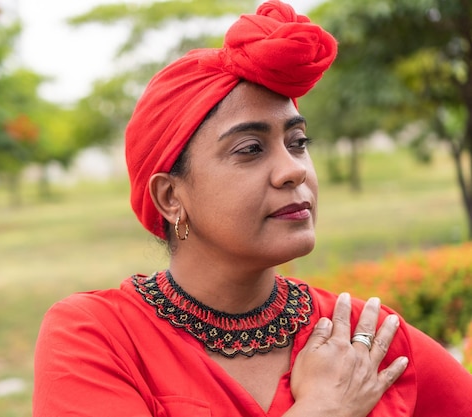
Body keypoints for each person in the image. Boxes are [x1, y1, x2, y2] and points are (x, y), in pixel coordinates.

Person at [33, 1, 472, 416]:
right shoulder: (99, 337)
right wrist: (324, 408)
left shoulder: (360, 340)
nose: (293, 171)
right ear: (170, 197)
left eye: (298, 143)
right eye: (250, 148)